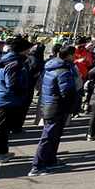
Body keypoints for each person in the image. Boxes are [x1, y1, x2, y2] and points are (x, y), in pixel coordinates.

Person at [29, 43, 79, 176]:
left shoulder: (52, 67)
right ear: (69, 56)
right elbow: (68, 92)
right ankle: (37, 166)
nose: (76, 56)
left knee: (54, 136)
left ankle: (50, 160)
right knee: (48, 137)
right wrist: (76, 98)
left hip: (51, 105)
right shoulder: (64, 71)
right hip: (55, 107)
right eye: (74, 54)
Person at [0, 38, 33, 164]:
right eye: (28, 48)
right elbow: (13, 84)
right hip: (8, 100)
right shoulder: (14, 63)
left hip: (2, 98)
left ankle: (2, 150)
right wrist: (22, 93)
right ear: (22, 50)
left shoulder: (8, 59)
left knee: (3, 127)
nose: (30, 50)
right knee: (0, 128)